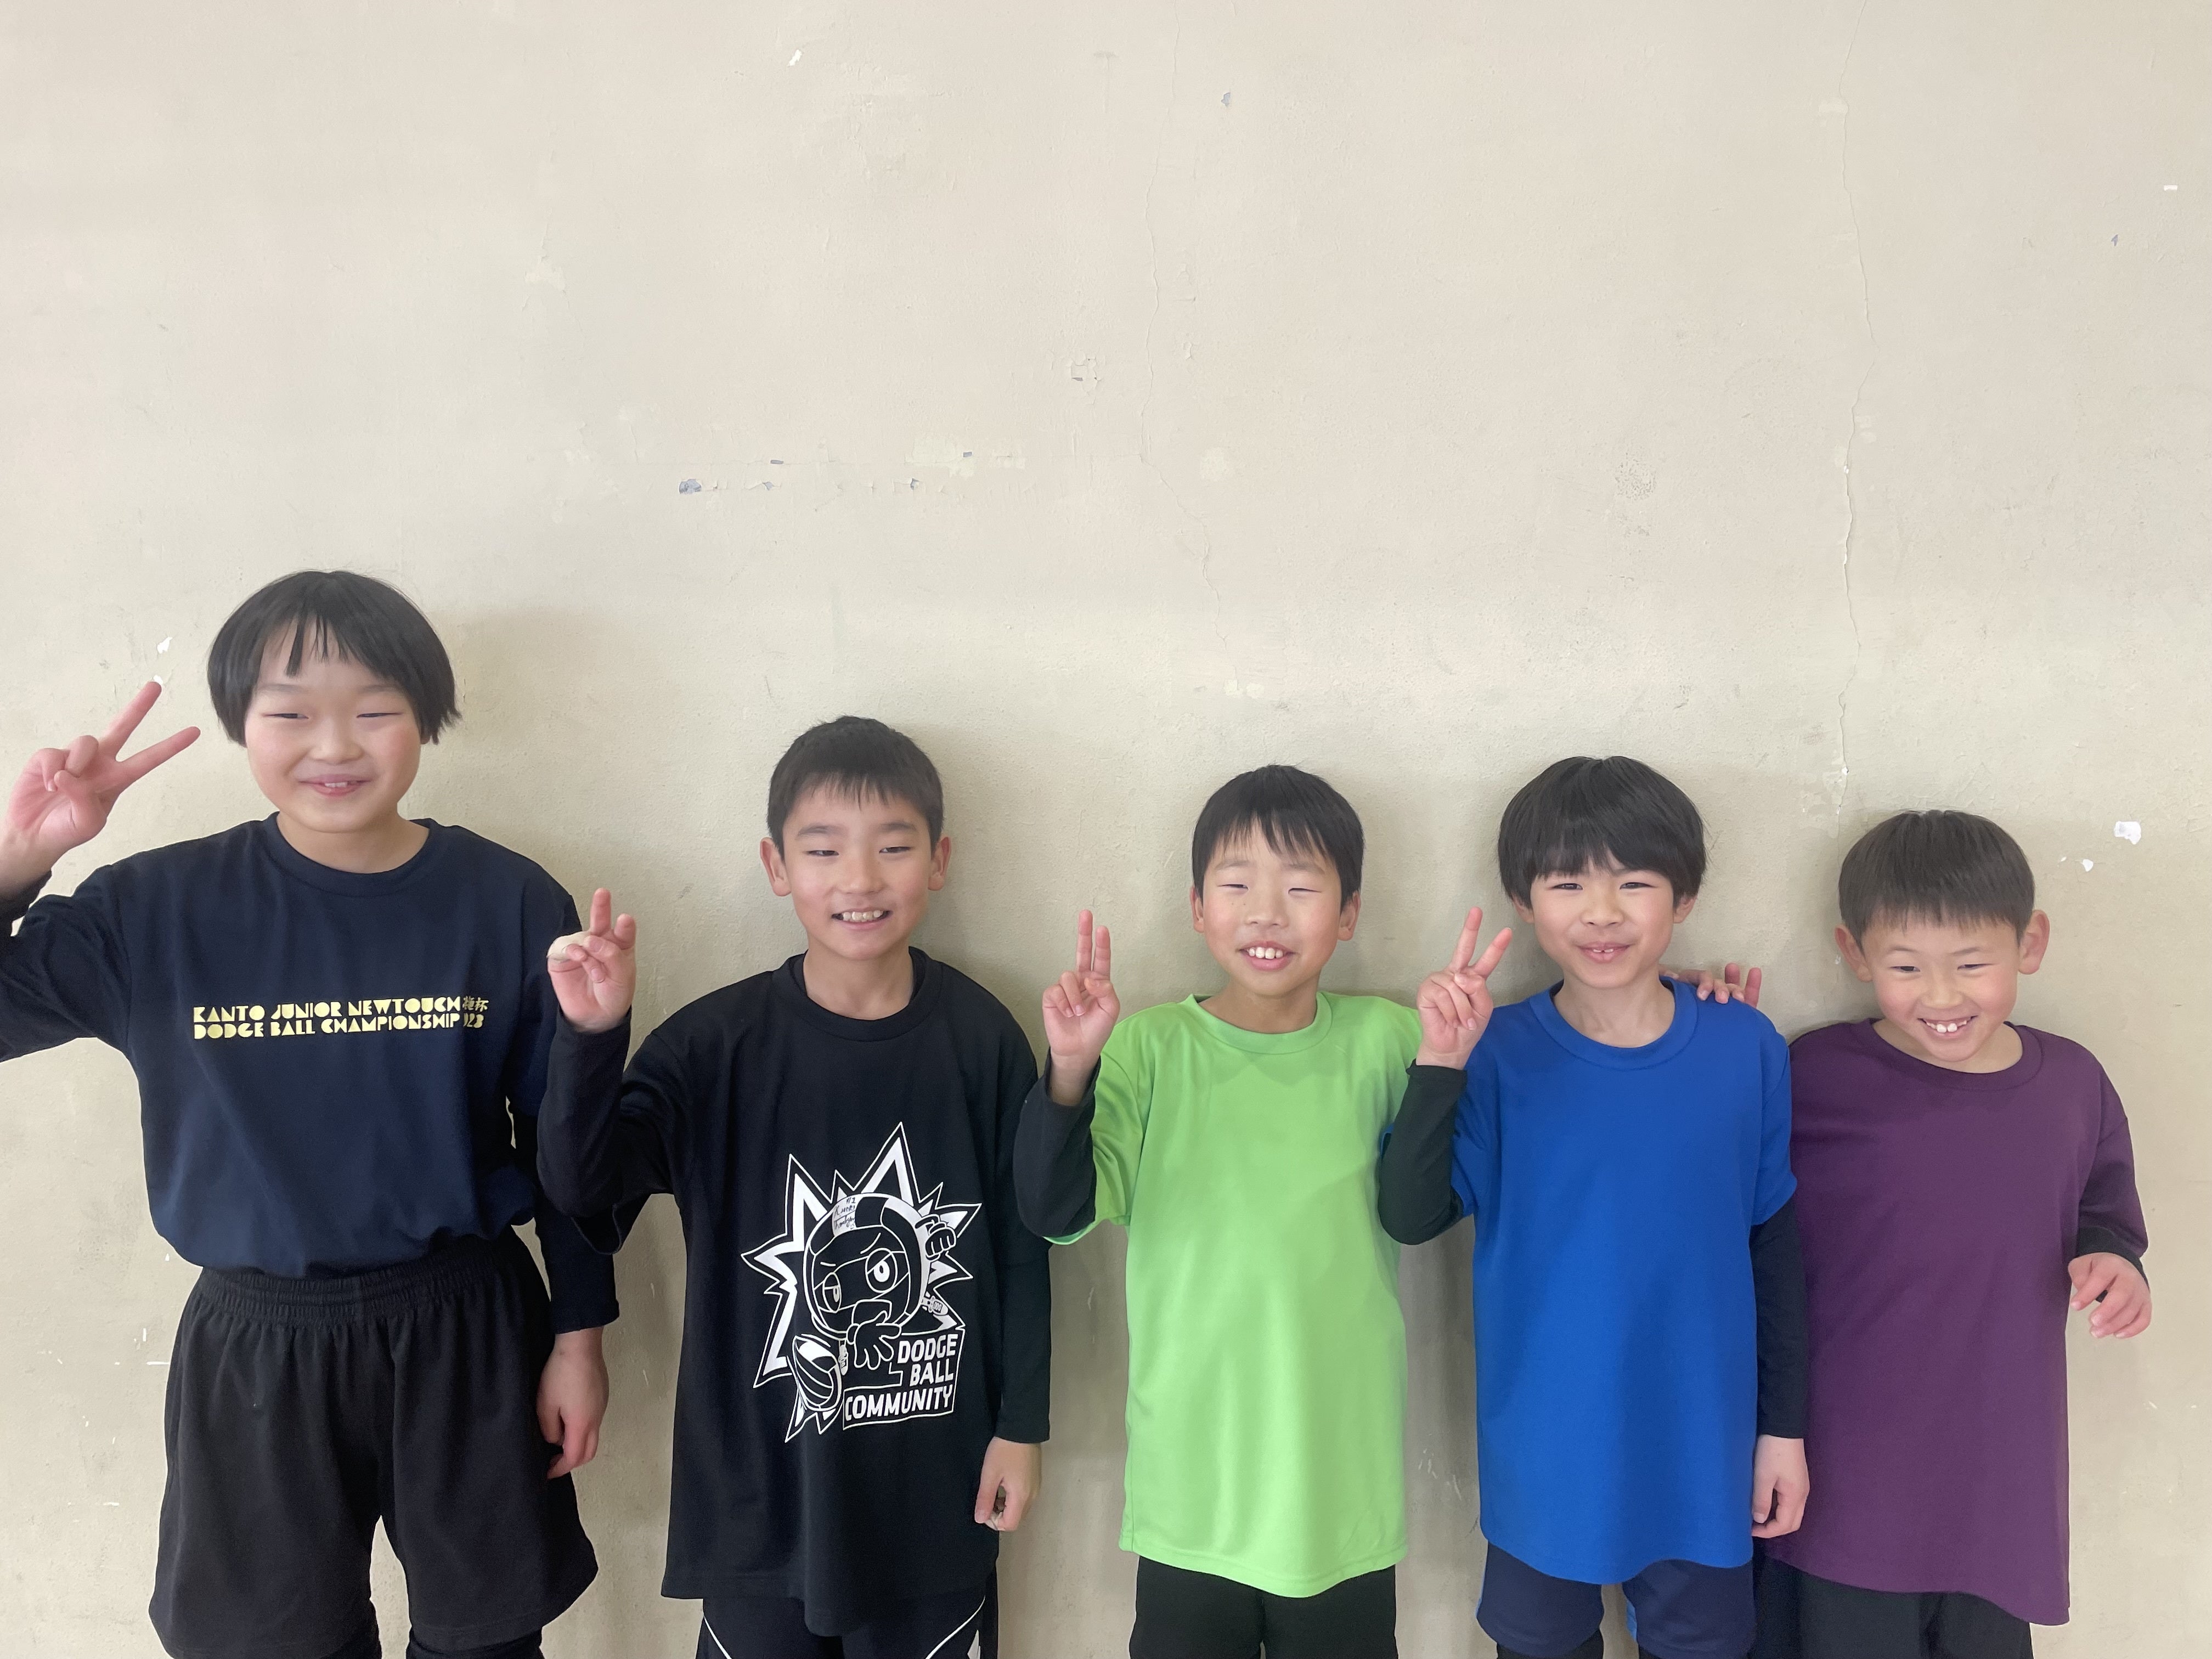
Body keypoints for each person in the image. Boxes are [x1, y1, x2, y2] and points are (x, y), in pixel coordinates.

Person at [0, 570, 615, 1659]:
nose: (335, 745)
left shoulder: (510, 899)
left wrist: (580, 1336)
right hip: (257, 1346)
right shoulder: (153, 909)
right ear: (243, 722)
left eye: (375, 709)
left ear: (427, 716)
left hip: (466, 1328)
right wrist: (23, 859)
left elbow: (567, 1138)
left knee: (485, 1640)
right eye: (291, 713)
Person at [537, 715, 1049, 1659]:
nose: (859, 879)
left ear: (939, 860)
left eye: (892, 846)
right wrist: (592, 1039)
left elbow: (1022, 1251)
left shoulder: (982, 1039)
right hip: (756, 1505)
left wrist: (1023, 1429)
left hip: (933, 1494)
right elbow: (580, 1184)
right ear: (777, 867)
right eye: (823, 850)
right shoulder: (711, 1049)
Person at [1015, 764, 1505, 1659]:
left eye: (1302, 888)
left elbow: (1412, 1216)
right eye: (1237, 885)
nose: (1267, 913)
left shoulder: (1390, 1038)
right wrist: (1071, 1070)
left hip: (1337, 1485)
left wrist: (1441, 1063)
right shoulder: (1150, 1047)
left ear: (1349, 914)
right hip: (1191, 1490)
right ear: (1197, 909)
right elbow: (1057, 1212)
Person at [1378, 754, 1807, 1659]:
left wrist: (1784, 1431)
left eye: (1634, 883)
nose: (1602, 912)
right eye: (1568, 883)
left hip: (1705, 1449)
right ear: (1524, 901)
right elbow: (1410, 1216)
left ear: (1684, 898)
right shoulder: (1497, 1054)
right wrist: (1441, 1062)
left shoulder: (1744, 1047)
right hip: (1546, 1455)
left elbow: (1774, 1252)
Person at [1753, 810, 2151, 1659]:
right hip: (1846, 1474)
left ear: (2029, 943)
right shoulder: (1812, 1074)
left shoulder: (2072, 1085)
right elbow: (1739, 1213)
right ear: (1855, 953)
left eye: (1972, 965)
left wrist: (2115, 1262)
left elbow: (2105, 1209)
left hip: (1999, 1482)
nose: (1941, 997)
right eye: (1906, 967)